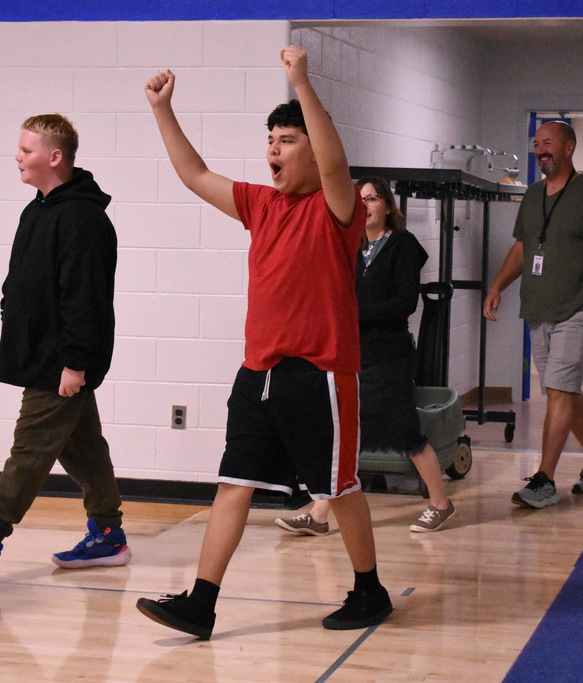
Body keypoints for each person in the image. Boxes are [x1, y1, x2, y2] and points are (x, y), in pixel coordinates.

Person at [136, 46, 392, 640]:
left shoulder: (339, 207)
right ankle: (201, 602)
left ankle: (369, 590)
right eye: (270, 139)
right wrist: (161, 111)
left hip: (321, 373)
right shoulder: (260, 203)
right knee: (233, 483)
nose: (273, 150)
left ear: (312, 145)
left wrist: (301, 82)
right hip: (260, 373)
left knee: (339, 487)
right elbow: (196, 174)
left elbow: (335, 161)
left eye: (287, 139)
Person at [0, 114, 130, 577]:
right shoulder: (38, 209)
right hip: (41, 355)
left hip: (59, 360)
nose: (16, 157)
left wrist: (75, 364)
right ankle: (108, 534)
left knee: (32, 446)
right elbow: (23, 280)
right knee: (82, 448)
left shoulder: (82, 218)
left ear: (54, 157)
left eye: (26, 150)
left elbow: (84, 299)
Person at [275, 176, 455, 537]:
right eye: (361, 201)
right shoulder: (351, 247)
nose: (367, 206)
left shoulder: (404, 245)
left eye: (373, 199)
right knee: (344, 433)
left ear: (387, 206)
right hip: (354, 353)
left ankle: (441, 504)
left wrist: (352, 313)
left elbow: (404, 303)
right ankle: (320, 513)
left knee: (406, 434)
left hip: (390, 356)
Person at [483, 121, 583, 509]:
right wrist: (498, 285)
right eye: (536, 144)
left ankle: (545, 479)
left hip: (578, 307)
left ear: (569, 148)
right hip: (539, 307)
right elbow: (522, 246)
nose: (540, 150)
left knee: (559, 391)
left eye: (548, 143)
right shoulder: (532, 195)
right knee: (562, 388)